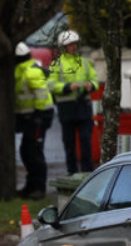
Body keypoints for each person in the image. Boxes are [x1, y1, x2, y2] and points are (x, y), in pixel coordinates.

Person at [48, 30, 98, 174]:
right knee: (69, 145)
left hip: (83, 107)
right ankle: (72, 173)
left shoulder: (85, 62)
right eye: (70, 45)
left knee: (86, 143)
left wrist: (91, 85)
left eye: (75, 44)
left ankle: (87, 174)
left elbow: (94, 79)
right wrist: (67, 87)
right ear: (63, 47)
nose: (74, 47)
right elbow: (51, 85)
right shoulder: (57, 64)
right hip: (67, 110)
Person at [14, 41, 53, 198]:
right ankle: (30, 186)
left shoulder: (31, 71)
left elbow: (41, 96)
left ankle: (39, 188)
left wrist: (38, 115)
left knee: (35, 152)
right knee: (26, 151)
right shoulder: (21, 71)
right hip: (31, 117)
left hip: (39, 117)